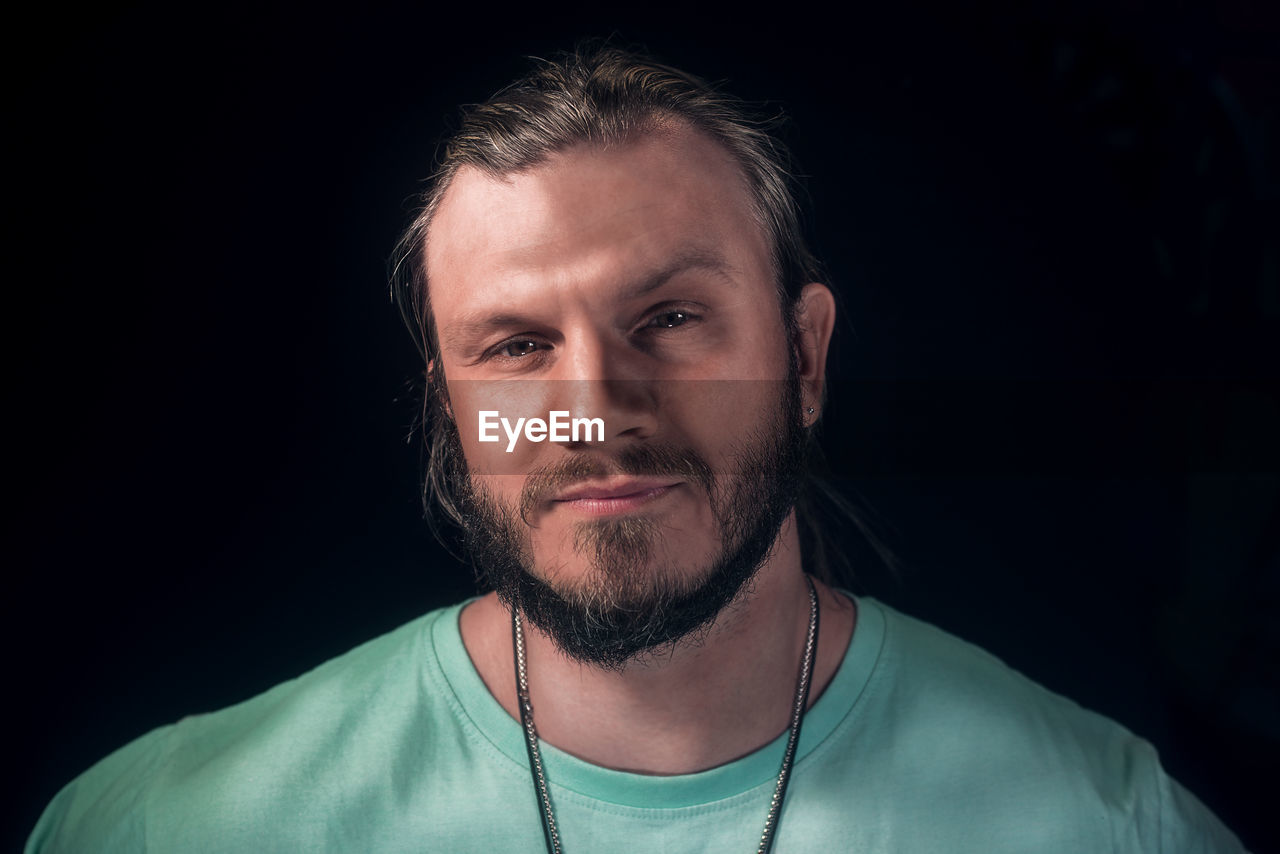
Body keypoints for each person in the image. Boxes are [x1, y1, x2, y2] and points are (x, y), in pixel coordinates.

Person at [27, 44, 1247, 853]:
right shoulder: (172, 824)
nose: (597, 403)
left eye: (666, 319)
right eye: (511, 345)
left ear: (805, 357)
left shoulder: (1099, 822)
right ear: (453, 416)